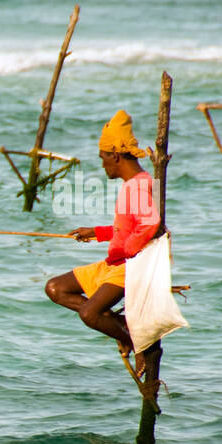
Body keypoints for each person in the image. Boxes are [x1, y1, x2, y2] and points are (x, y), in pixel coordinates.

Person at [45, 110, 165, 376]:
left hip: (129, 266)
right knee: (55, 288)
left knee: (89, 313)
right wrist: (97, 232)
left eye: (103, 158)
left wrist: (126, 251)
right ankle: (123, 328)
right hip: (116, 262)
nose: (102, 165)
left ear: (114, 155)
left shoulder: (139, 185)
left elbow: (150, 225)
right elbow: (131, 227)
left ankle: (138, 342)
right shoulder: (134, 184)